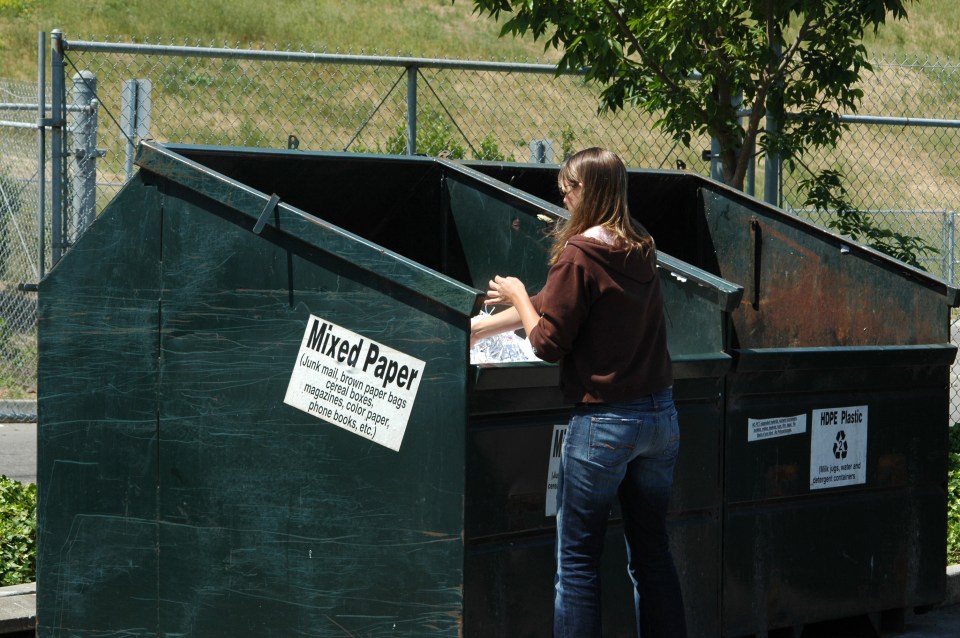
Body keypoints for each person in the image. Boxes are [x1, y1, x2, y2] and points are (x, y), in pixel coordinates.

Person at [470, 147, 687, 637]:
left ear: (587, 192)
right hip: (661, 419)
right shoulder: (640, 246)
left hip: (606, 423)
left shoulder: (577, 254)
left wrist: (519, 296)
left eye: (568, 188)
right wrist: (482, 330)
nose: (563, 197)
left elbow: (547, 341)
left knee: (578, 564)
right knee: (652, 556)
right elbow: (560, 302)